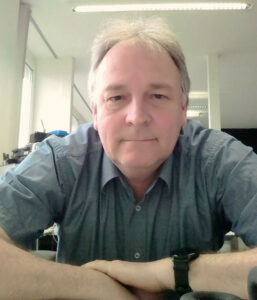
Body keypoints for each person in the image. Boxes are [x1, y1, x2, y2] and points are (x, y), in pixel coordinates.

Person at [0, 17, 257, 300]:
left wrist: (170, 273)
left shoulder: (220, 160)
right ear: (96, 112)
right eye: (116, 97)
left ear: (183, 108)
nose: (136, 117)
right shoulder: (62, 161)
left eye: (158, 95)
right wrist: (94, 286)